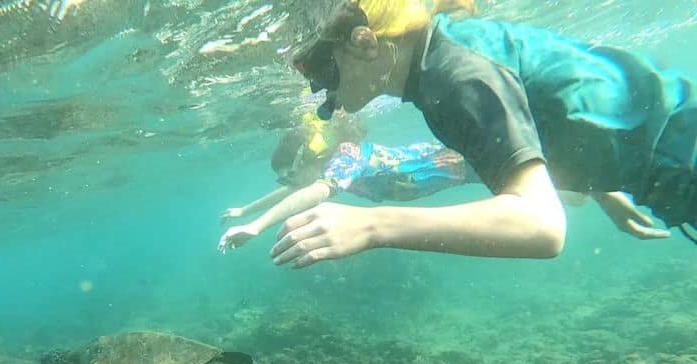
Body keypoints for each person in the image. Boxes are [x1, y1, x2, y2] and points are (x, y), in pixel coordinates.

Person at [269, 0, 695, 268]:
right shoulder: (444, 59)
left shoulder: (452, 79)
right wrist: (606, 188)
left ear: (364, 42)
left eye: (318, 68)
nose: (315, 88)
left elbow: (542, 226)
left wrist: (371, 226)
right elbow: (553, 109)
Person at [219, 113, 668, 253]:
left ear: (308, 159)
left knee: (561, 190)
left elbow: (308, 192)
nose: (285, 182)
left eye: (287, 173)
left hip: (461, 162)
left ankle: (612, 185)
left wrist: (258, 229)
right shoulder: (328, 166)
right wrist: (246, 211)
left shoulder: (346, 160)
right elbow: (293, 189)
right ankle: (601, 189)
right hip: (458, 166)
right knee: (562, 194)